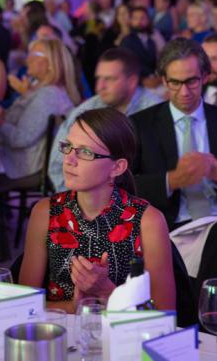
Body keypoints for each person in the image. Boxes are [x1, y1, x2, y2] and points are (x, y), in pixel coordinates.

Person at [130, 38, 217, 344]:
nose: (184, 92)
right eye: (174, 83)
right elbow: (125, 189)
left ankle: (213, 342)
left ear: (205, 77)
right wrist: (171, 180)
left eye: (191, 81)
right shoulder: (142, 125)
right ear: (163, 80)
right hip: (169, 225)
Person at [20, 108, 176, 312]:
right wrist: (74, 306)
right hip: (58, 337)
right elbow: (21, 305)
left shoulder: (148, 221)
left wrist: (106, 292)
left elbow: (165, 313)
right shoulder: (46, 212)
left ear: (117, 168)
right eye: (68, 147)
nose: (68, 160)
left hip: (125, 339)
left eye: (84, 152)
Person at [48, 47, 164, 191]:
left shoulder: (155, 112)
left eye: (109, 79)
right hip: (84, 201)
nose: (99, 87)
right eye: (98, 78)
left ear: (132, 81)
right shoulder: (88, 109)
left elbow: (161, 177)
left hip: (139, 203)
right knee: (41, 212)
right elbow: (57, 165)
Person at [0, 38, 76, 180]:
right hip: (21, 159)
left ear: (50, 64)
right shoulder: (45, 90)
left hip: (21, 165)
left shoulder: (48, 95)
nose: (27, 60)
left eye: (34, 55)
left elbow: (20, 138)